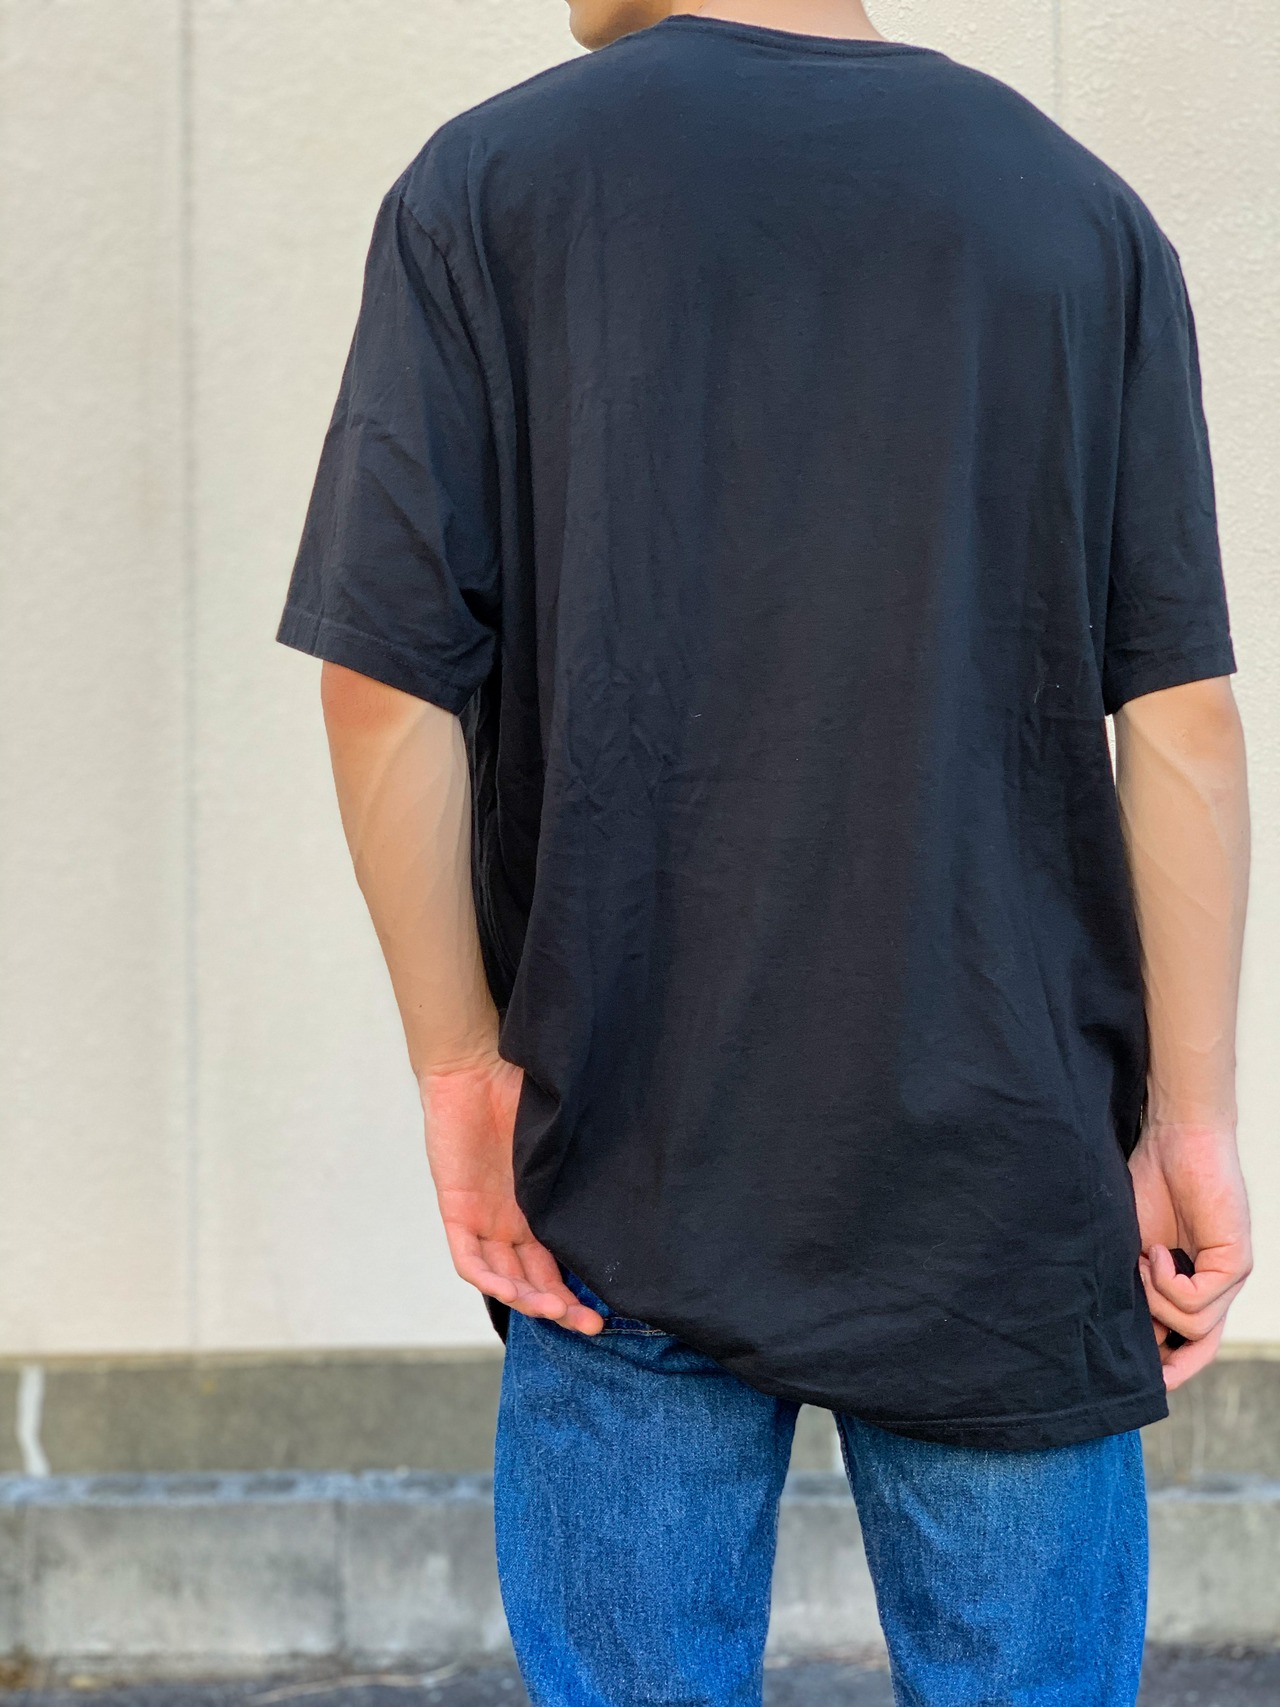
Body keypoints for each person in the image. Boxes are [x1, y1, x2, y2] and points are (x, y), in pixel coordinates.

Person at [277, 1, 1253, 1701]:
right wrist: (1190, 1122)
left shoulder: (493, 185)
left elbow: (381, 683)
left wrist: (459, 1073)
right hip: (1003, 1183)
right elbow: (1181, 722)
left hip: (623, 1159)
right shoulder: (1077, 215)